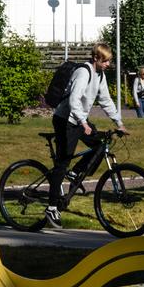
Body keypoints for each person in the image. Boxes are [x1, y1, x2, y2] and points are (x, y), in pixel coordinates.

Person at [45, 43, 128, 228]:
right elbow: (74, 100)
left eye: (109, 61)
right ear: (96, 59)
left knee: (100, 145)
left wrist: (119, 123)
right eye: (106, 61)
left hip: (79, 119)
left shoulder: (100, 75)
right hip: (65, 119)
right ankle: (51, 207)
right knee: (62, 162)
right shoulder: (84, 72)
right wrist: (83, 123)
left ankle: (75, 173)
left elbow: (105, 100)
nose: (108, 64)